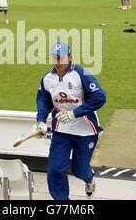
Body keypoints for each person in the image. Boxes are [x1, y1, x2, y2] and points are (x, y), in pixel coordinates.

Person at [36, 42, 107, 201]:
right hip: (61, 130)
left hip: (86, 130)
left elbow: (100, 97)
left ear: (69, 57)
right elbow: (43, 100)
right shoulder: (47, 78)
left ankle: (89, 179)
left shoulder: (82, 73)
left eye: (61, 57)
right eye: (55, 57)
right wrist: (41, 120)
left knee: (80, 170)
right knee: (55, 169)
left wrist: (75, 114)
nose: (58, 61)